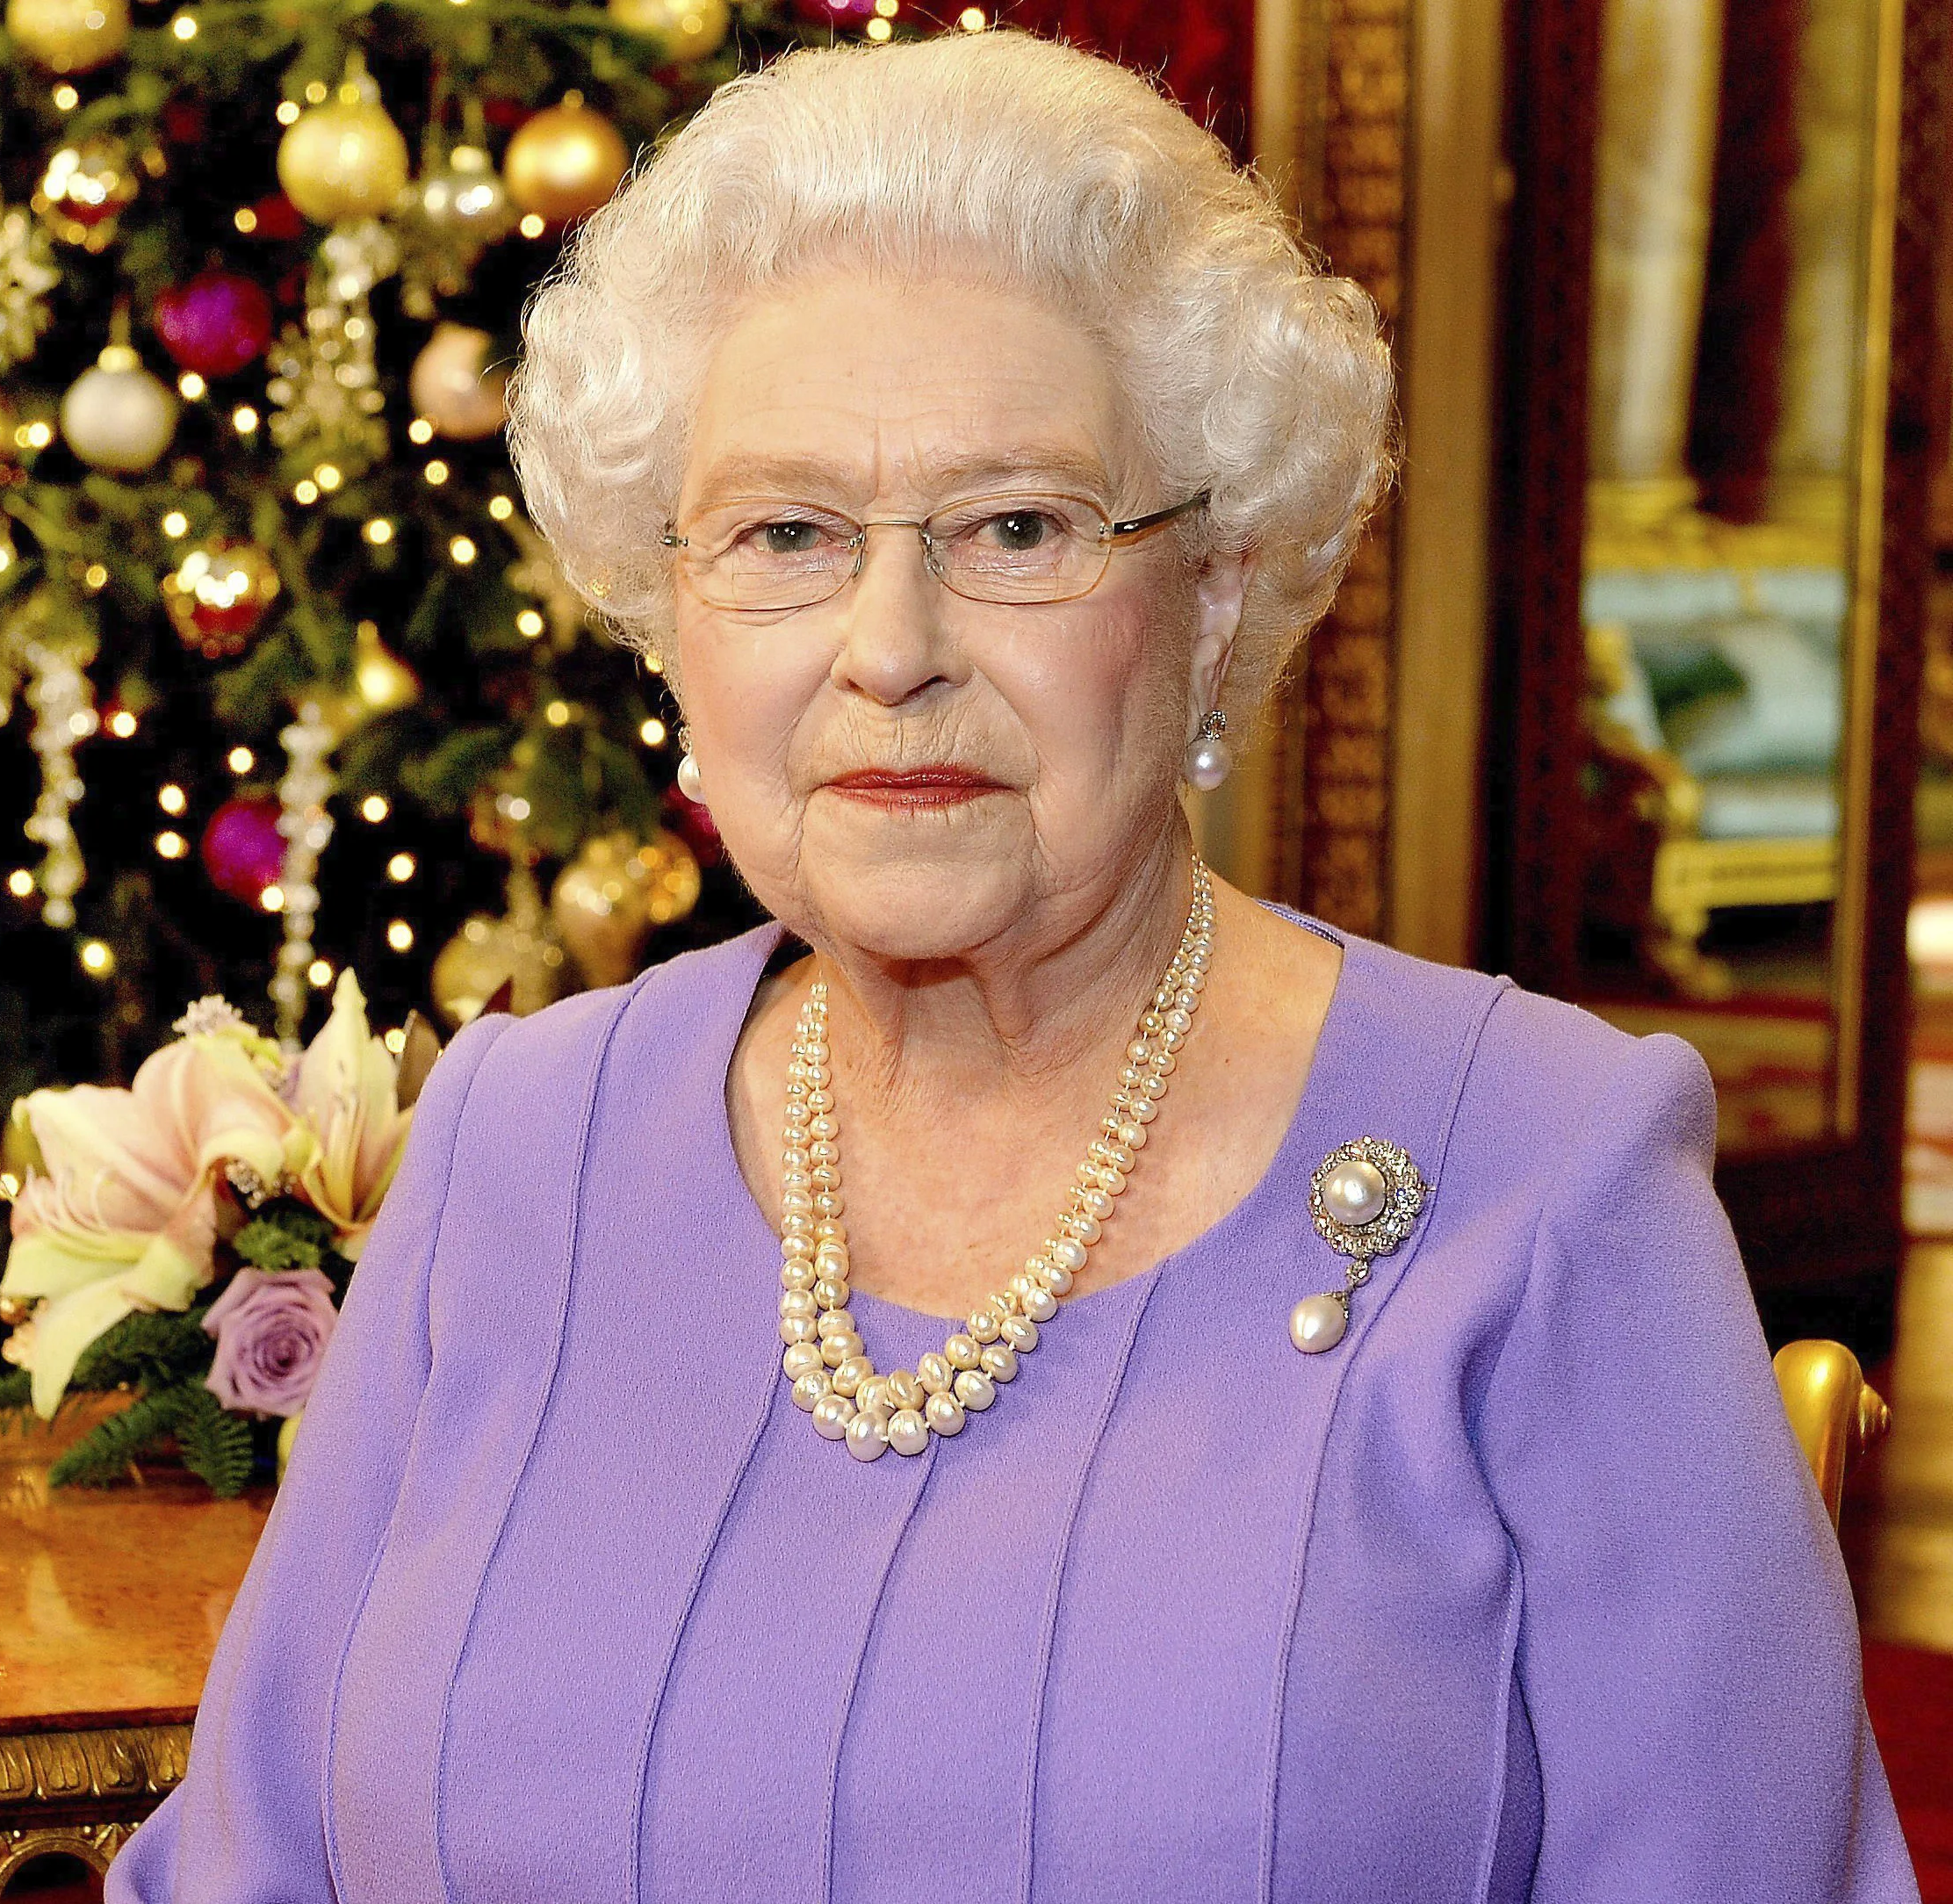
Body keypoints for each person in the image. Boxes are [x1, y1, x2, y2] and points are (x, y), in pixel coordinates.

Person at [112, 30, 1913, 1901]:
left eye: (1016, 529)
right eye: (786, 535)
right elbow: (248, 1863)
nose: (889, 645)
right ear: (670, 618)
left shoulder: (1549, 1184)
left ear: (1209, 591)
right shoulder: (509, 1147)